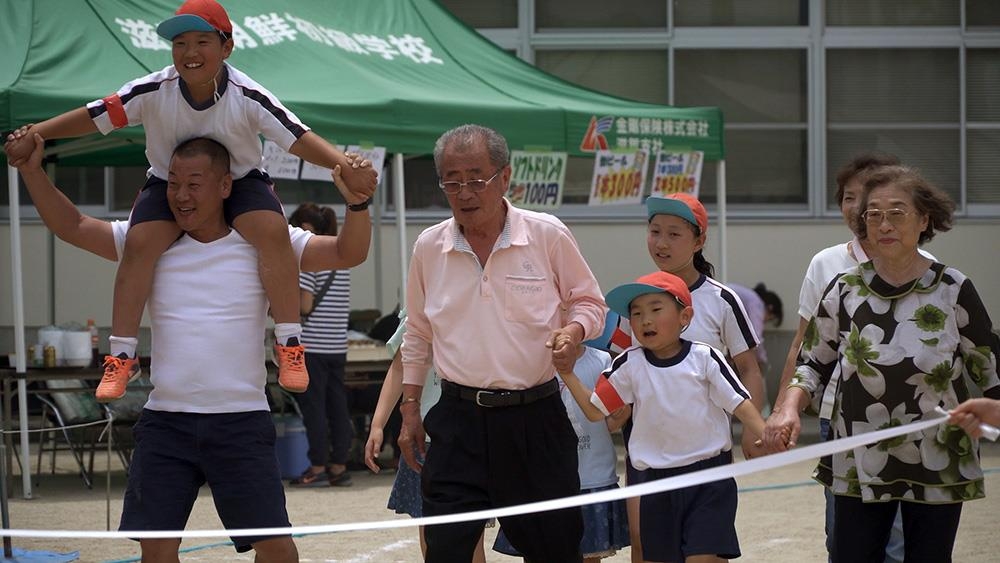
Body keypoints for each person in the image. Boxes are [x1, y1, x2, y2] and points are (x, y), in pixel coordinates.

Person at [8, 133, 373, 561]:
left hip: (240, 419)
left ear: (225, 186)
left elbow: (349, 253)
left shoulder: (267, 241)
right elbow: (72, 226)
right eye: (172, 182)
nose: (180, 195)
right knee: (156, 550)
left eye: (193, 183)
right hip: (166, 422)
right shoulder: (148, 241)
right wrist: (31, 171)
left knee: (276, 548)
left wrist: (358, 204)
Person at [3, 0, 377, 403]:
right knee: (140, 244)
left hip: (245, 179)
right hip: (163, 177)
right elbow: (95, 116)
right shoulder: (152, 91)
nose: (190, 53)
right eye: (180, 43)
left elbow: (298, 137)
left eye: (202, 41)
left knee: (271, 232)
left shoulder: (247, 95)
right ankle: (123, 355)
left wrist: (345, 169)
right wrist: (37, 135)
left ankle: (289, 343)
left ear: (227, 47)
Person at [764, 165, 1000, 562]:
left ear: (924, 219)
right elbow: (812, 362)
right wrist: (787, 408)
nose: (883, 223)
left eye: (896, 212)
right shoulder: (845, 289)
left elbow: (990, 366)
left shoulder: (953, 288)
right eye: (873, 214)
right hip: (859, 455)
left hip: (936, 452)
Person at [398, 124, 607, 563]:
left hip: (536, 419)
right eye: (452, 182)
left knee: (554, 549)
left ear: (505, 178)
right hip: (458, 422)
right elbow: (417, 334)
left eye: (477, 179)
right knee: (447, 551)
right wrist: (411, 407)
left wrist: (573, 332)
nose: (465, 192)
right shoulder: (429, 247)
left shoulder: (546, 234)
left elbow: (589, 302)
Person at [769, 152, 930, 562]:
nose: (857, 209)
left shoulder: (938, 278)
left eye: (870, 201)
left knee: (898, 539)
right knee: (842, 533)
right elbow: (806, 347)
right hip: (840, 417)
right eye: (849, 198)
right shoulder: (829, 267)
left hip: (912, 423)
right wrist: (784, 408)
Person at [559, 271, 767, 563]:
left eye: (656, 309)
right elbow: (595, 410)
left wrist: (764, 432)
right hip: (654, 484)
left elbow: (739, 403)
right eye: (637, 313)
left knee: (703, 558)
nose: (645, 320)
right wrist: (567, 373)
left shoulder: (706, 357)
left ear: (685, 316)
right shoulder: (627, 364)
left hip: (708, 480)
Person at [623, 193, 768, 562]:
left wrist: (753, 429)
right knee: (642, 543)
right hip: (649, 455)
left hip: (705, 452)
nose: (661, 242)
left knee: (705, 549)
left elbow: (749, 367)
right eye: (655, 231)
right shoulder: (636, 299)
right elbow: (624, 372)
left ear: (699, 241)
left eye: (675, 234)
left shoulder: (721, 299)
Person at [492, 310, 631, 563]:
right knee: (537, 551)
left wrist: (620, 416)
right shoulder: (530, 364)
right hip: (541, 479)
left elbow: (608, 422)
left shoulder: (603, 361)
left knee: (589, 556)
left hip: (593, 477)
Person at [362, 309, 487, 562]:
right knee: (429, 529)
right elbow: (400, 366)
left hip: (473, 434)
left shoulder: (483, 298)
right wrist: (378, 424)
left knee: (471, 533)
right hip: (424, 438)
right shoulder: (420, 305)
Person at [287, 203, 354, 487]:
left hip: (313, 346)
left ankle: (316, 466)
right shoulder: (342, 262)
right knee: (338, 407)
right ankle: (339, 465)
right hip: (337, 345)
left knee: (314, 409)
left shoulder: (309, 260)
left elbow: (305, 305)